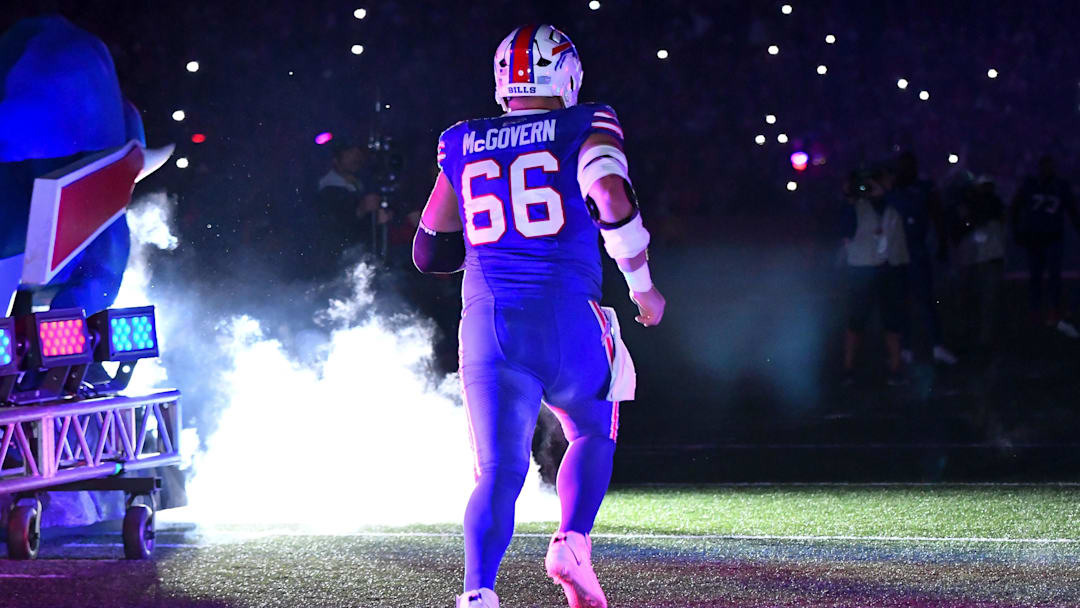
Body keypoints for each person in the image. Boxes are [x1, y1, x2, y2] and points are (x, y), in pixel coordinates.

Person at [413, 24, 665, 608]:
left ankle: (478, 593)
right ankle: (572, 541)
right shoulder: (586, 123)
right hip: (567, 317)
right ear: (568, 75)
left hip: (488, 326)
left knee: (498, 471)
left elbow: (429, 252)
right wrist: (643, 286)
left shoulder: (462, 140)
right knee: (591, 430)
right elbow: (610, 198)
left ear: (503, 82)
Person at [885, 152, 958, 365]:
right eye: (904, 165)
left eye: (911, 164)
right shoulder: (891, 189)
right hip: (896, 252)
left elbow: (937, 215)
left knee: (926, 300)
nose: (908, 168)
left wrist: (943, 244)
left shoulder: (925, 188)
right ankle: (905, 348)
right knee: (901, 301)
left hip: (917, 251)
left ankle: (936, 345)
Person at [840, 169, 909, 386]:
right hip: (862, 269)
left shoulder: (895, 205)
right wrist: (850, 195)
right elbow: (844, 226)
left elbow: (908, 209)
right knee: (857, 320)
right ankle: (848, 369)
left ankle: (896, 369)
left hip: (890, 268)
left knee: (892, 321)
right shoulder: (854, 207)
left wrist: (882, 192)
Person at [1011, 155, 1080, 338]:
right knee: (1037, 276)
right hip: (1035, 238)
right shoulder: (1030, 185)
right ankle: (1037, 311)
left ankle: (1051, 310)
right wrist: (1018, 231)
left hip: (1052, 237)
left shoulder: (1059, 186)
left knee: (1052, 276)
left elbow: (1072, 209)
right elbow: (1015, 207)